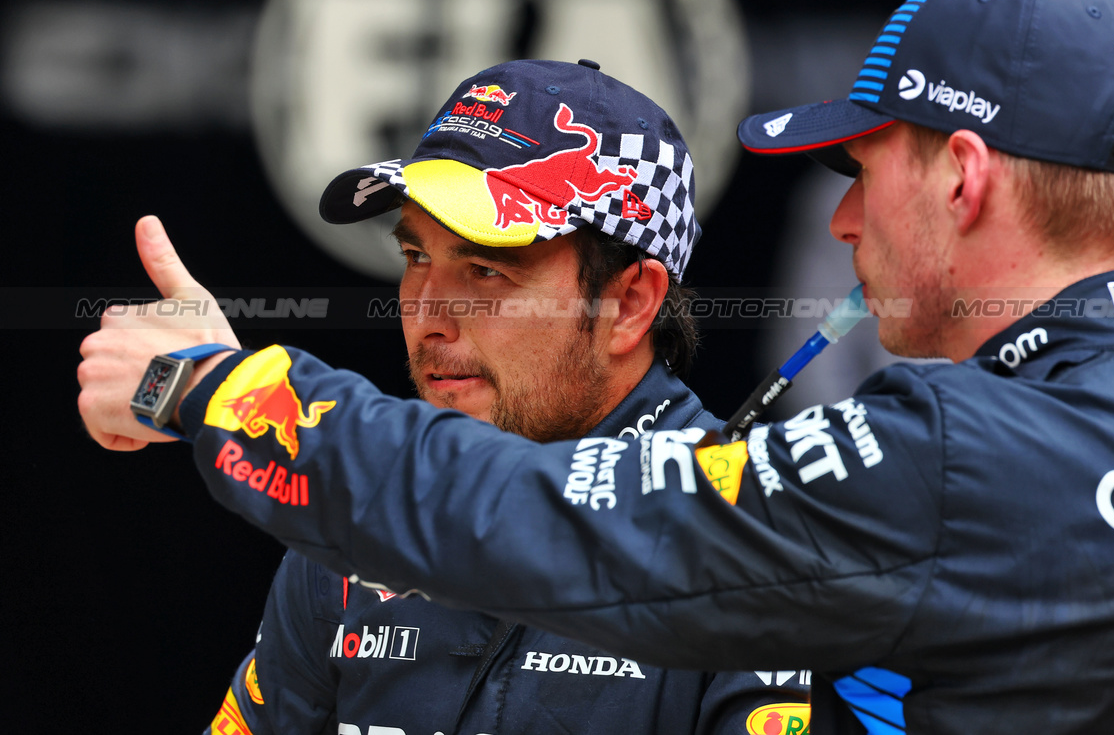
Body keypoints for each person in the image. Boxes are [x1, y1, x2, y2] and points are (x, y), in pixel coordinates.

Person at [79, 0, 1114, 735]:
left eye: (857, 170)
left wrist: (217, 386)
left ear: (959, 176)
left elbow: (550, 520)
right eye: (413, 258)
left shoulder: (949, 456)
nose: (844, 219)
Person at [173, 59, 804, 734]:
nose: (428, 316)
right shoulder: (357, 519)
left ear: (628, 304)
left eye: (485, 269)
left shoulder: (756, 548)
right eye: (416, 258)